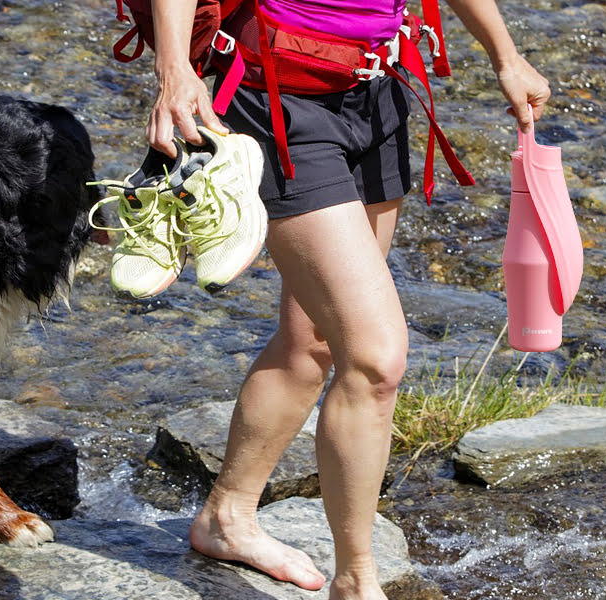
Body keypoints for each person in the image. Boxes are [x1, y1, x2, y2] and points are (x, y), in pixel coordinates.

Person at [142, 0, 551, 598]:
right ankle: (357, 581)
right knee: (375, 358)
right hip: (275, 97)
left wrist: (505, 56)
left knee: (314, 341)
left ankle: (226, 516)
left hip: (378, 92)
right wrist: (175, 72)